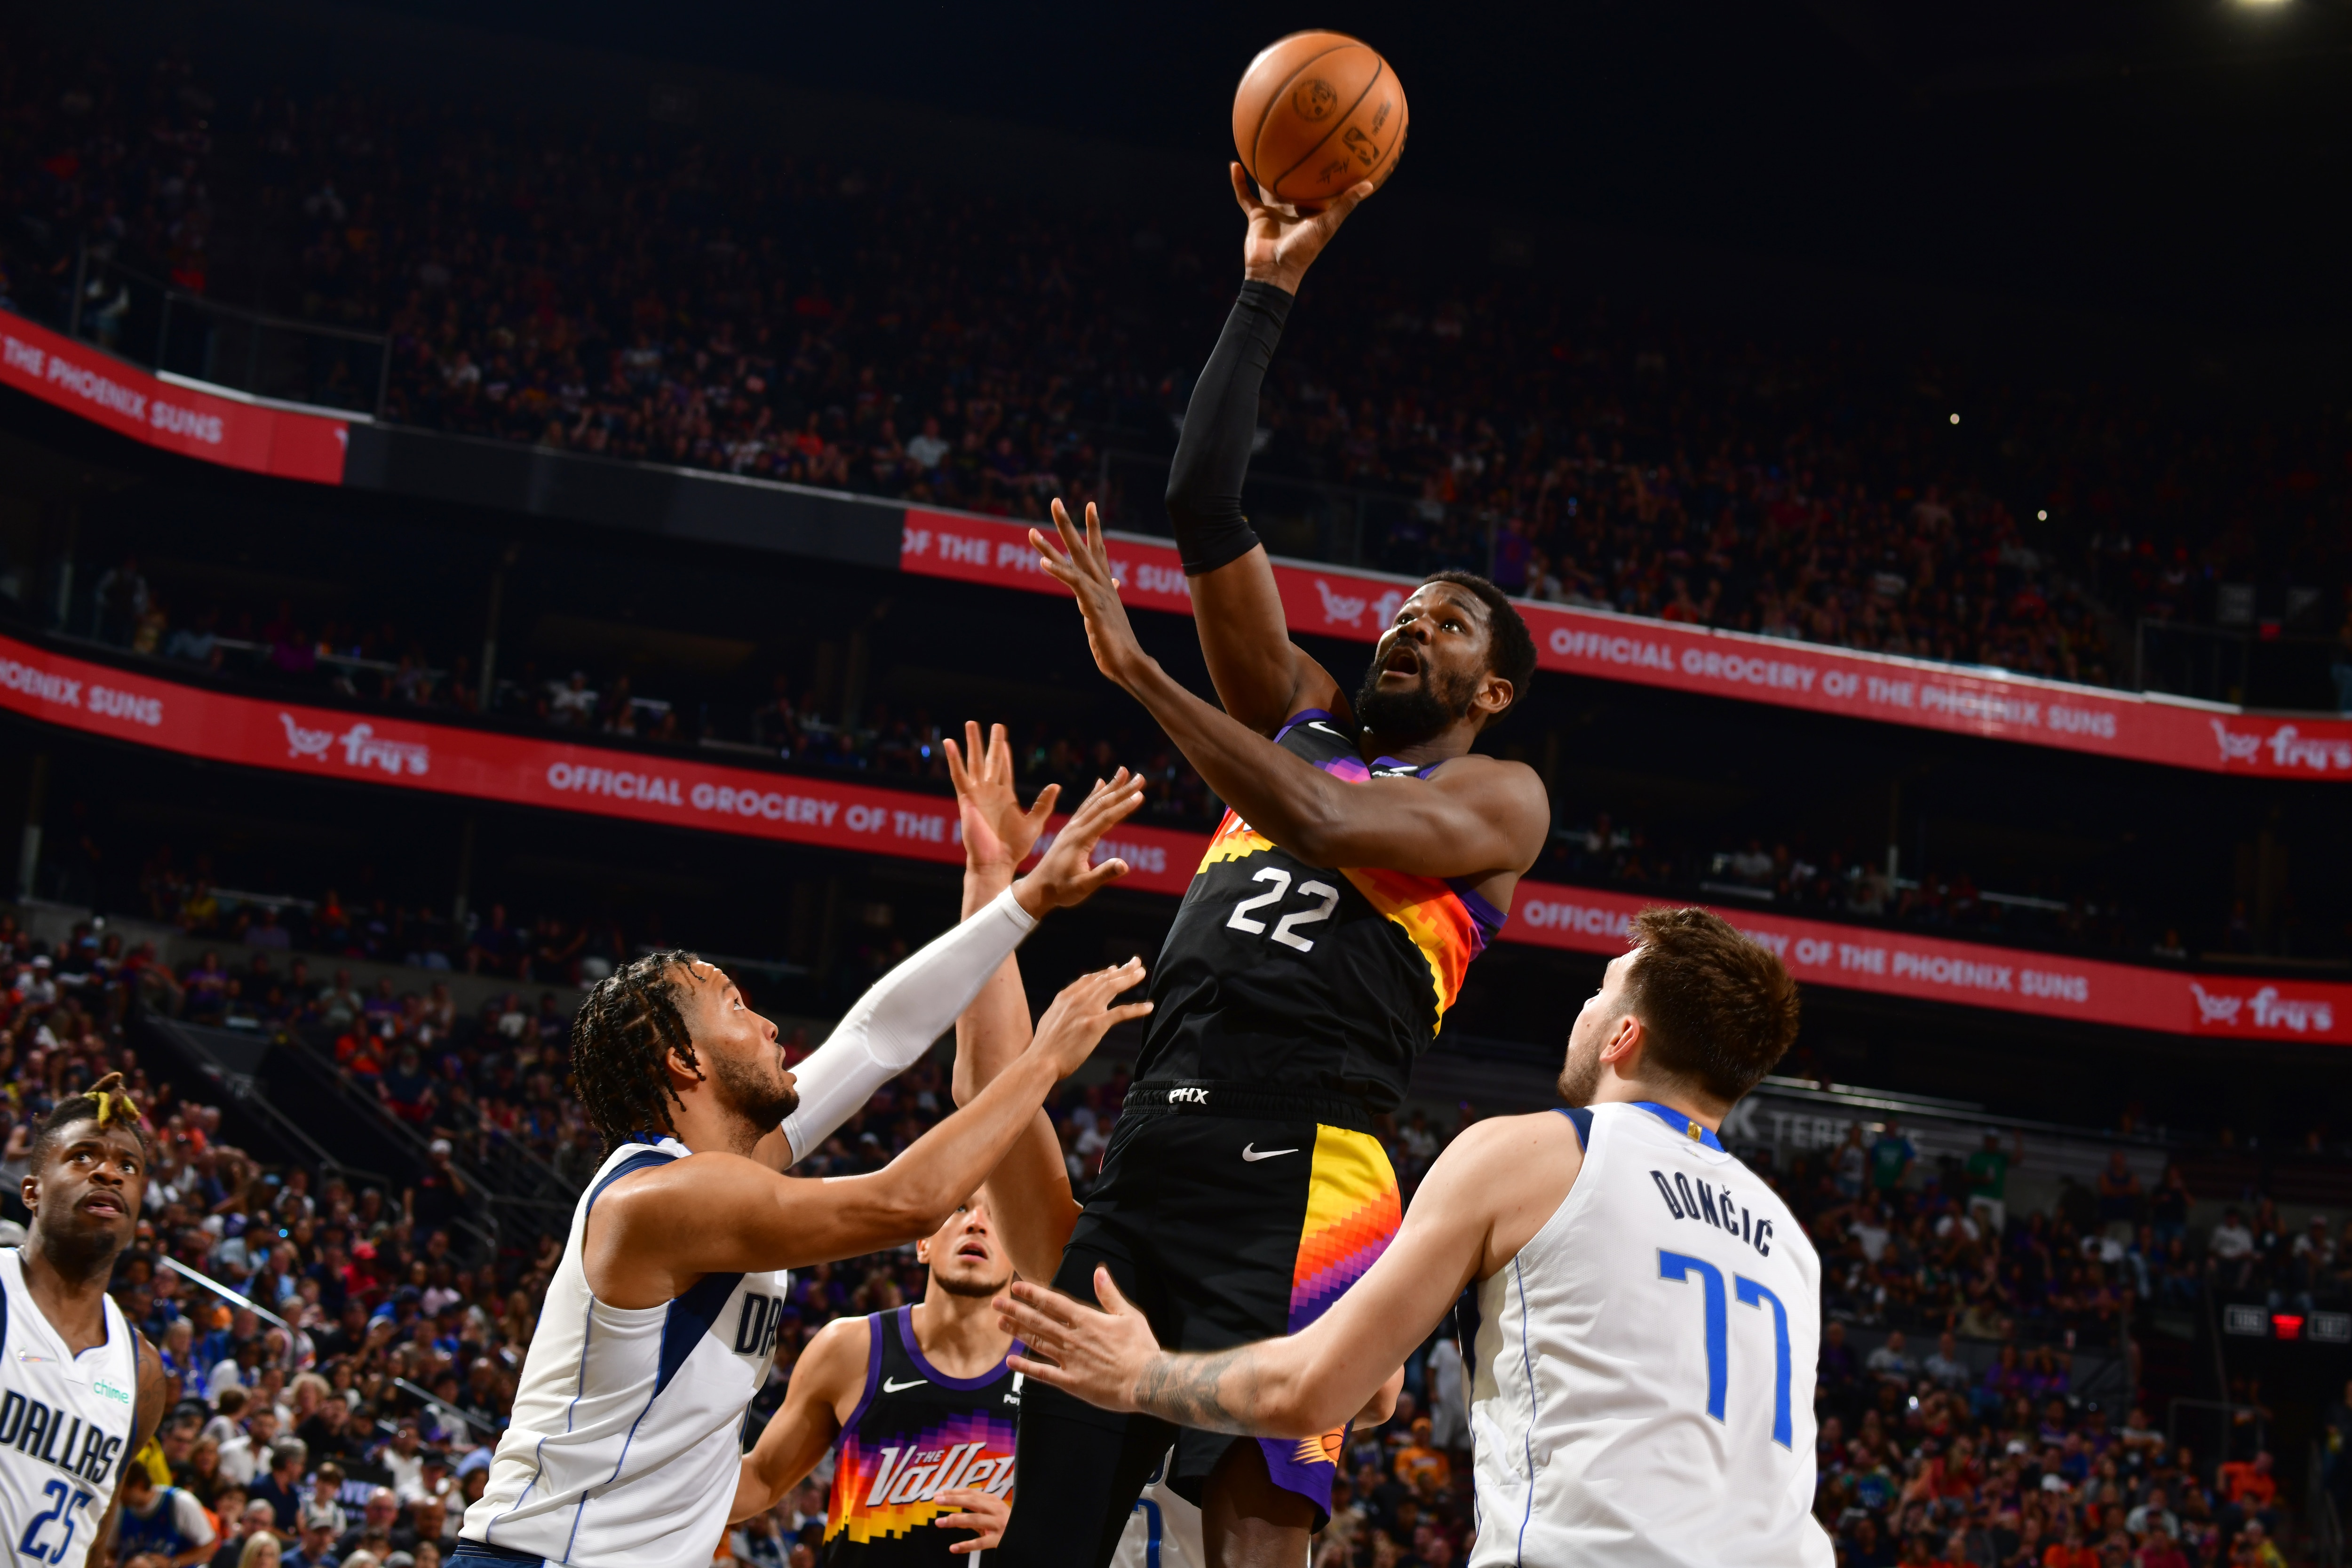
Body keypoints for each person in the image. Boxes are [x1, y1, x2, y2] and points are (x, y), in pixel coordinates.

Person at [997, 158, 1549, 1568]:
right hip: (1154, 1140)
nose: (1409, 628)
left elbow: (1327, 826)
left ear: (1491, 690)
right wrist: (1266, 287)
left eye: (1448, 626)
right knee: (1043, 1529)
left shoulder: (1495, 797)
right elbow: (1200, 502)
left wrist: (1138, 677)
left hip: (1315, 1163)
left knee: (1251, 1542)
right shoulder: (1296, 712)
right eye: (1405, 611)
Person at [996, 906, 1831, 1568]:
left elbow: (1327, 1390)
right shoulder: (1790, 1241)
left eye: (1601, 992)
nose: (1583, 1008)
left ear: (1623, 1037)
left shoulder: (1536, 1150)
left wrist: (1144, 1373)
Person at [451, 777, 1150, 1568]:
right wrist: (1044, 1059)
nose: (769, 1023)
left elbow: (878, 1036)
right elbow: (910, 1200)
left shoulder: (730, 1165)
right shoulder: (663, 1197)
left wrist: (1014, 894)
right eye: (736, 1007)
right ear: (686, 1061)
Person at [936, 727, 1402, 1568]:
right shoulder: (1094, 1265)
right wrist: (994, 887)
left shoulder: (1288, 1297)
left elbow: (1373, 1391)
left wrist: (1166, 1373)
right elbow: (987, 1093)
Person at [731, 1197, 1021, 1560]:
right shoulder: (849, 1349)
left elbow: (1091, 1532)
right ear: (923, 1244)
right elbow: (761, 1480)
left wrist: (1030, 1536)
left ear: (1020, 1253)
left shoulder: (1051, 1374)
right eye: (960, 1207)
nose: (977, 1222)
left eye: (998, 1214)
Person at [0, 1072, 168, 1567]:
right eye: (82, 1157)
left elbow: (96, 1535)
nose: (109, 1173)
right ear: (31, 1192)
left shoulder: (141, 1370)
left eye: (128, 1166)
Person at [114, 1465, 220, 1567]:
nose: (116, 1494)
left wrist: (173, 1563)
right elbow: (111, 1551)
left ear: (140, 1485)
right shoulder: (120, 1509)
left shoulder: (180, 1501)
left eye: (121, 1489)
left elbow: (209, 1546)